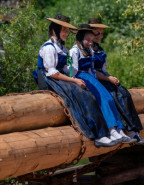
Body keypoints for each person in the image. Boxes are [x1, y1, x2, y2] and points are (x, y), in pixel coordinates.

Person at [33, 15, 119, 147]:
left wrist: (75, 78)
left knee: (89, 94)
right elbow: (52, 72)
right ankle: (97, 135)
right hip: (49, 80)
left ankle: (104, 132)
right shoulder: (49, 48)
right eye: (64, 30)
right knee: (86, 97)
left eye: (67, 31)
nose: (66, 33)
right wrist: (74, 81)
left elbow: (68, 69)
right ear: (54, 30)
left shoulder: (64, 49)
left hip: (60, 78)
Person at [88, 18, 144, 145]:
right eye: (97, 33)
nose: (100, 36)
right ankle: (121, 130)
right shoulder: (87, 49)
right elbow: (91, 71)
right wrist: (107, 78)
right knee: (114, 96)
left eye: (102, 33)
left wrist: (112, 77)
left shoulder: (98, 49)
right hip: (95, 79)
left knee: (124, 93)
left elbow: (103, 69)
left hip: (104, 77)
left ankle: (133, 131)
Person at [70, 24, 136, 144]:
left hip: (90, 77)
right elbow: (71, 71)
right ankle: (110, 129)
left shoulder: (89, 50)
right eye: (88, 40)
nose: (90, 43)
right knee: (101, 100)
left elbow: (91, 69)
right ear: (80, 38)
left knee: (108, 98)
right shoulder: (73, 51)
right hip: (80, 77)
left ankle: (118, 129)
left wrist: (95, 80)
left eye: (91, 40)